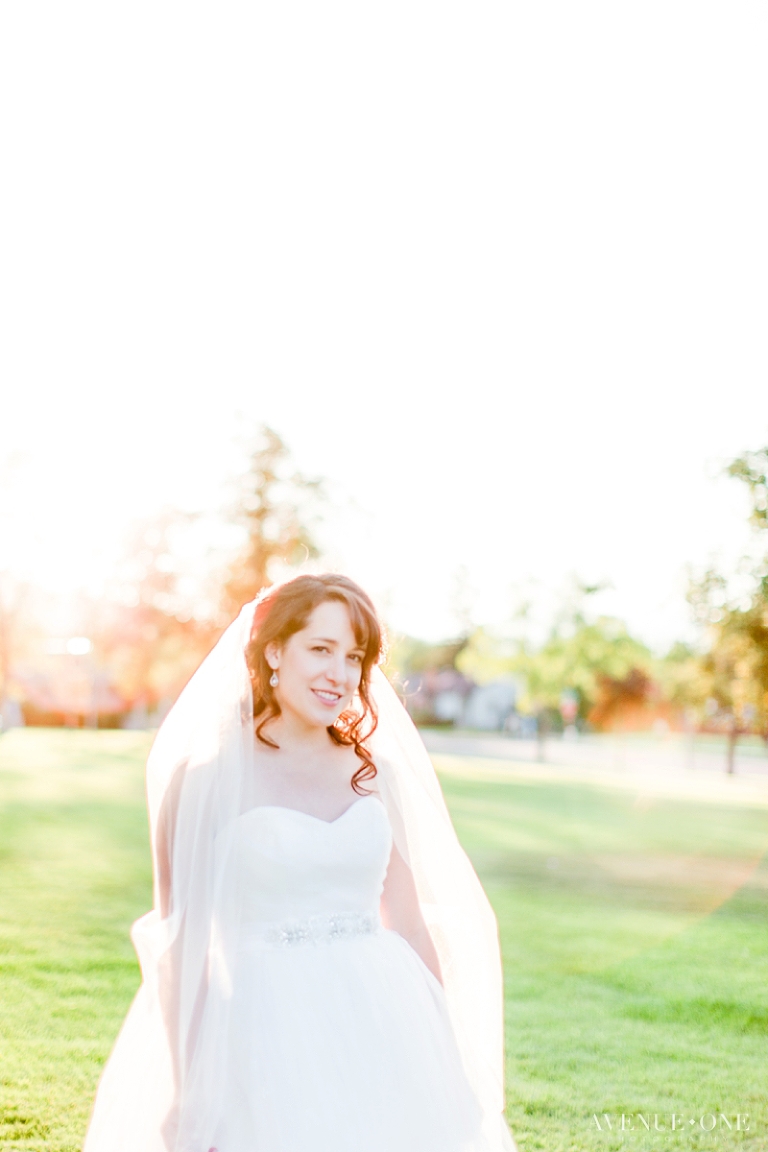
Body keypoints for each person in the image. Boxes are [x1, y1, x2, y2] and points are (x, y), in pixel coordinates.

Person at [83, 574, 517, 1152]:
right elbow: (181, 942)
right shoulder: (204, 780)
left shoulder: (375, 774)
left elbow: (410, 923)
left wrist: (444, 1049)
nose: (340, 673)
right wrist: (190, 1091)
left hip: (382, 1016)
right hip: (259, 1029)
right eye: (321, 649)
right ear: (273, 652)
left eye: (354, 656)